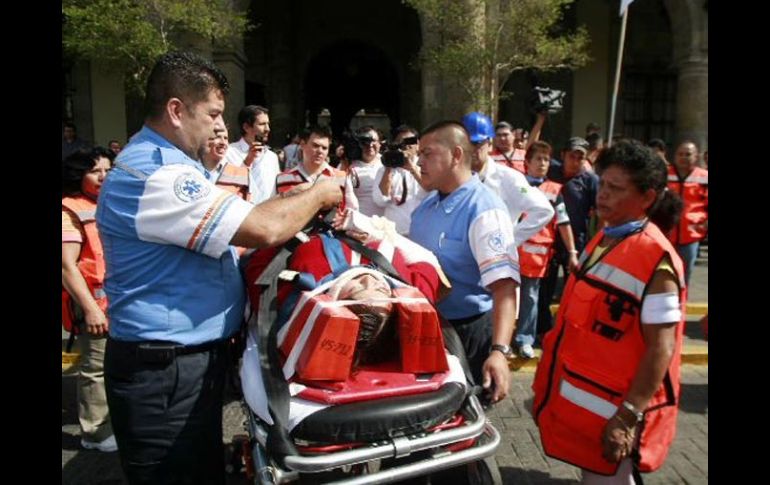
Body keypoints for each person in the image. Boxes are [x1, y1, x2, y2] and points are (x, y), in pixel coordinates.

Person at [96, 51, 343, 485]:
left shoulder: (172, 166)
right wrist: (321, 192)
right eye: (211, 113)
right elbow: (263, 228)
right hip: (166, 371)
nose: (218, 126)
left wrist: (297, 200)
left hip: (183, 363)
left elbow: (243, 215)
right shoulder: (159, 175)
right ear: (176, 110)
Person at [533, 139, 686, 484]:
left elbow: (662, 347)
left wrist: (627, 416)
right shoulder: (605, 237)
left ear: (647, 198)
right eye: (603, 184)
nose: (603, 194)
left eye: (616, 189)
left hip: (615, 414)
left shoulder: (657, 263)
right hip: (591, 408)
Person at [409, 120, 519, 404]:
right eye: (419, 154)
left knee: (465, 418)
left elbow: (504, 288)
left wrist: (499, 351)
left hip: (468, 334)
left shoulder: (483, 209)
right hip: (429, 329)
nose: (418, 161)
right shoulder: (427, 204)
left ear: (456, 155)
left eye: (427, 153)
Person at [62, 147, 117, 453]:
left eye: (108, 170)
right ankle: (94, 432)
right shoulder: (68, 210)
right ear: (77, 175)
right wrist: (91, 309)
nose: (103, 176)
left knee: (111, 365)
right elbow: (66, 267)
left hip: (116, 304)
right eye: (95, 171)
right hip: (95, 308)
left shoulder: (104, 204)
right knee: (96, 368)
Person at [515, 141, 578, 359]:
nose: (543, 163)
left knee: (530, 297)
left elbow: (564, 223)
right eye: (538, 159)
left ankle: (524, 339)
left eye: (546, 159)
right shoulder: (515, 185)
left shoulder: (554, 190)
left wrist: (572, 252)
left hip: (536, 254)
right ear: (527, 162)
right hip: (509, 251)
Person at [461, 112, 553, 247]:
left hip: (495, 259)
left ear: (490, 144)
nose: (472, 149)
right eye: (467, 143)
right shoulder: (454, 177)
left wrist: (510, 241)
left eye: (477, 143)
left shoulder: (509, 178)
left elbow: (544, 210)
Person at [274, 125, 359, 210]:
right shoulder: (283, 179)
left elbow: (352, 209)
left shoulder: (341, 177)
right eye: (315, 146)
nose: (320, 151)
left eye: (324, 148)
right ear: (303, 144)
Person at [372, 124, 429, 235]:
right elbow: (380, 200)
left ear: (418, 144)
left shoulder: (426, 167)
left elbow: (431, 191)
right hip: (394, 233)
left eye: (409, 141)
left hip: (421, 232)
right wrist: (389, 167)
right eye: (401, 142)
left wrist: (412, 168)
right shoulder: (384, 170)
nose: (405, 146)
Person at [666, 140, 707, 286]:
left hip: (690, 236)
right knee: (664, 274)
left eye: (688, 154)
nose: (684, 157)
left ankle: (680, 306)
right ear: (675, 156)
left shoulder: (704, 177)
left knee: (684, 277)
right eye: (680, 154)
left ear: (696, 156)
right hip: (665, 235)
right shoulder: (664, 175)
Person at [223, 104, 281, 203]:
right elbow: (228, 186)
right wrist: (248, 161)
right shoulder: (229, 152)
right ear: (246, 127)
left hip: (268, 214)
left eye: (268, 124)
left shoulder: (272, 157)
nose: (267, 129)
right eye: (262, 124)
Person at [348, 125, 386, 217]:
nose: (370, 145)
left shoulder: (387, 163)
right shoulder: (349, 165)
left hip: (384, 224)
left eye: (374, 141)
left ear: (380, 143)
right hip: (359, 224)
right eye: (365, 141)